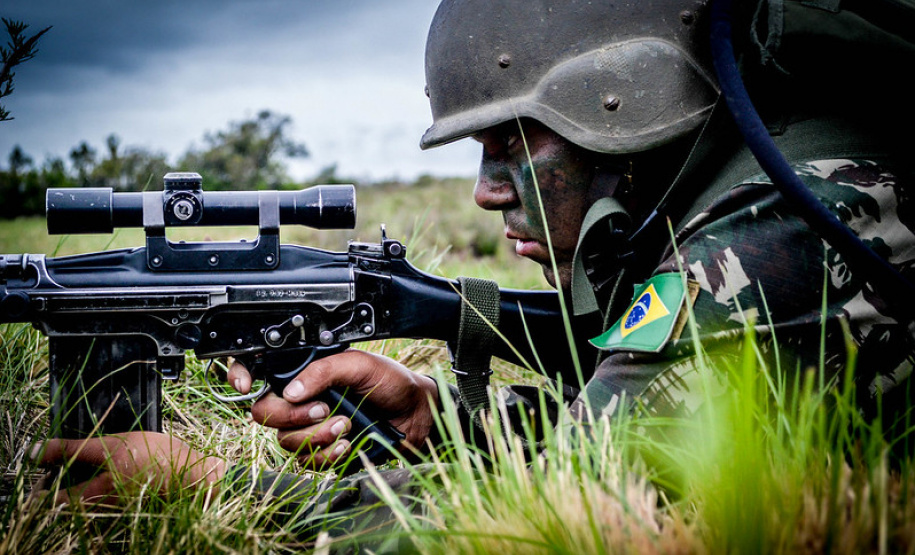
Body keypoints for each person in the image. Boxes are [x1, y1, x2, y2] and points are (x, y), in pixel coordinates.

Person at [33, 0, 915, 539]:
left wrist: (216, 489)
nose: (490, 192)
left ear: (621, 111)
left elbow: (568, 518)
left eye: (508, 144)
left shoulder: (776, 233)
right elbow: (622, 425)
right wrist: (439, 423)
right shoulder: (741, 189)